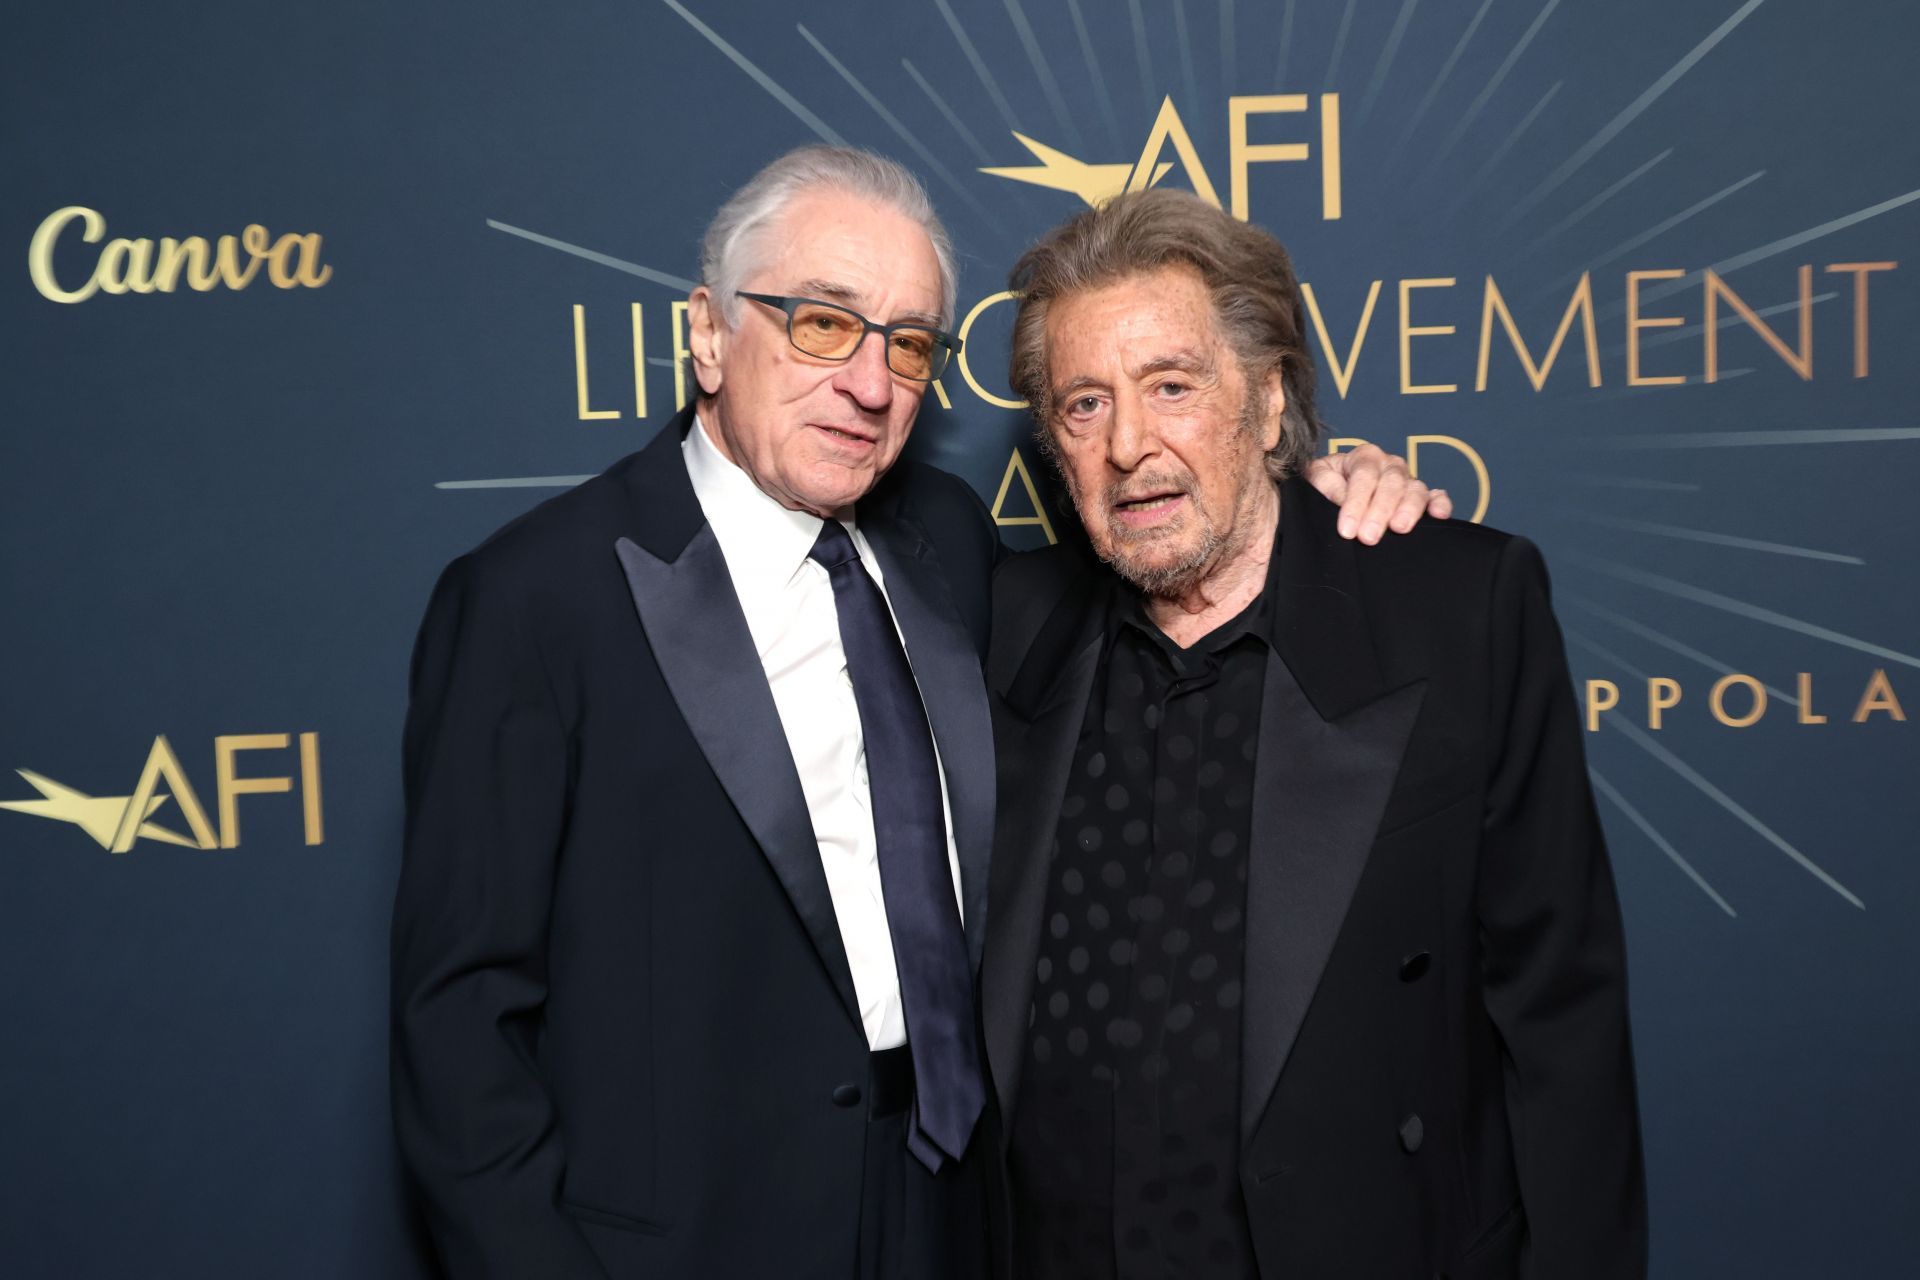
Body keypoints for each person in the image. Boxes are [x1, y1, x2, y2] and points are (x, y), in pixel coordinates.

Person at [390, 146, 1442, 1280]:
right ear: (706, 332)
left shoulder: (946, 542)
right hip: (694, 1233)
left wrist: (1319, 491)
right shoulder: (534, 600)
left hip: (960, 1212)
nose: (872, 382)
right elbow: (460, 1031)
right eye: (823, 324)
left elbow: (1176, 541)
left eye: (908, 343)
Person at [981, 188, 1645, 1280]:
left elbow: (1563, 1021)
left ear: (1270, 397)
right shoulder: (1006, 626)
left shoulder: (1455, 608)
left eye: (1172, 386)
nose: (1130, 444)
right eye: (1084, 405)